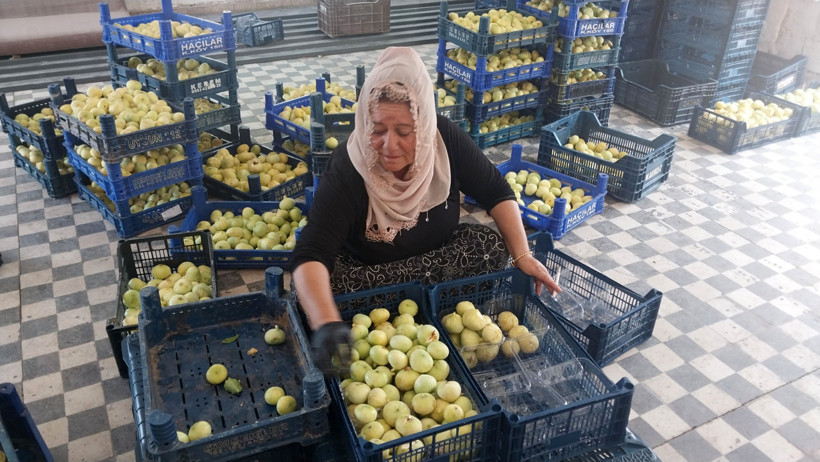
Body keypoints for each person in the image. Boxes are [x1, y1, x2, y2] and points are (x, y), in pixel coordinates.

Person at [292, 47, 560, 374]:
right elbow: (313, 250)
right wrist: (326, 321)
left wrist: (522, 255)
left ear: (424, 123)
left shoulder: (444, 139)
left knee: (488, 245)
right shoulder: (348, 168)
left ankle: (423, 306)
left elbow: (496, 192)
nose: (389, 146)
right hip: (370, 272)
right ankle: (421, 305)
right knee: (316, 289)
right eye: (377, 130)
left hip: (435, 260)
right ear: (364, 122)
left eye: (404, 132)